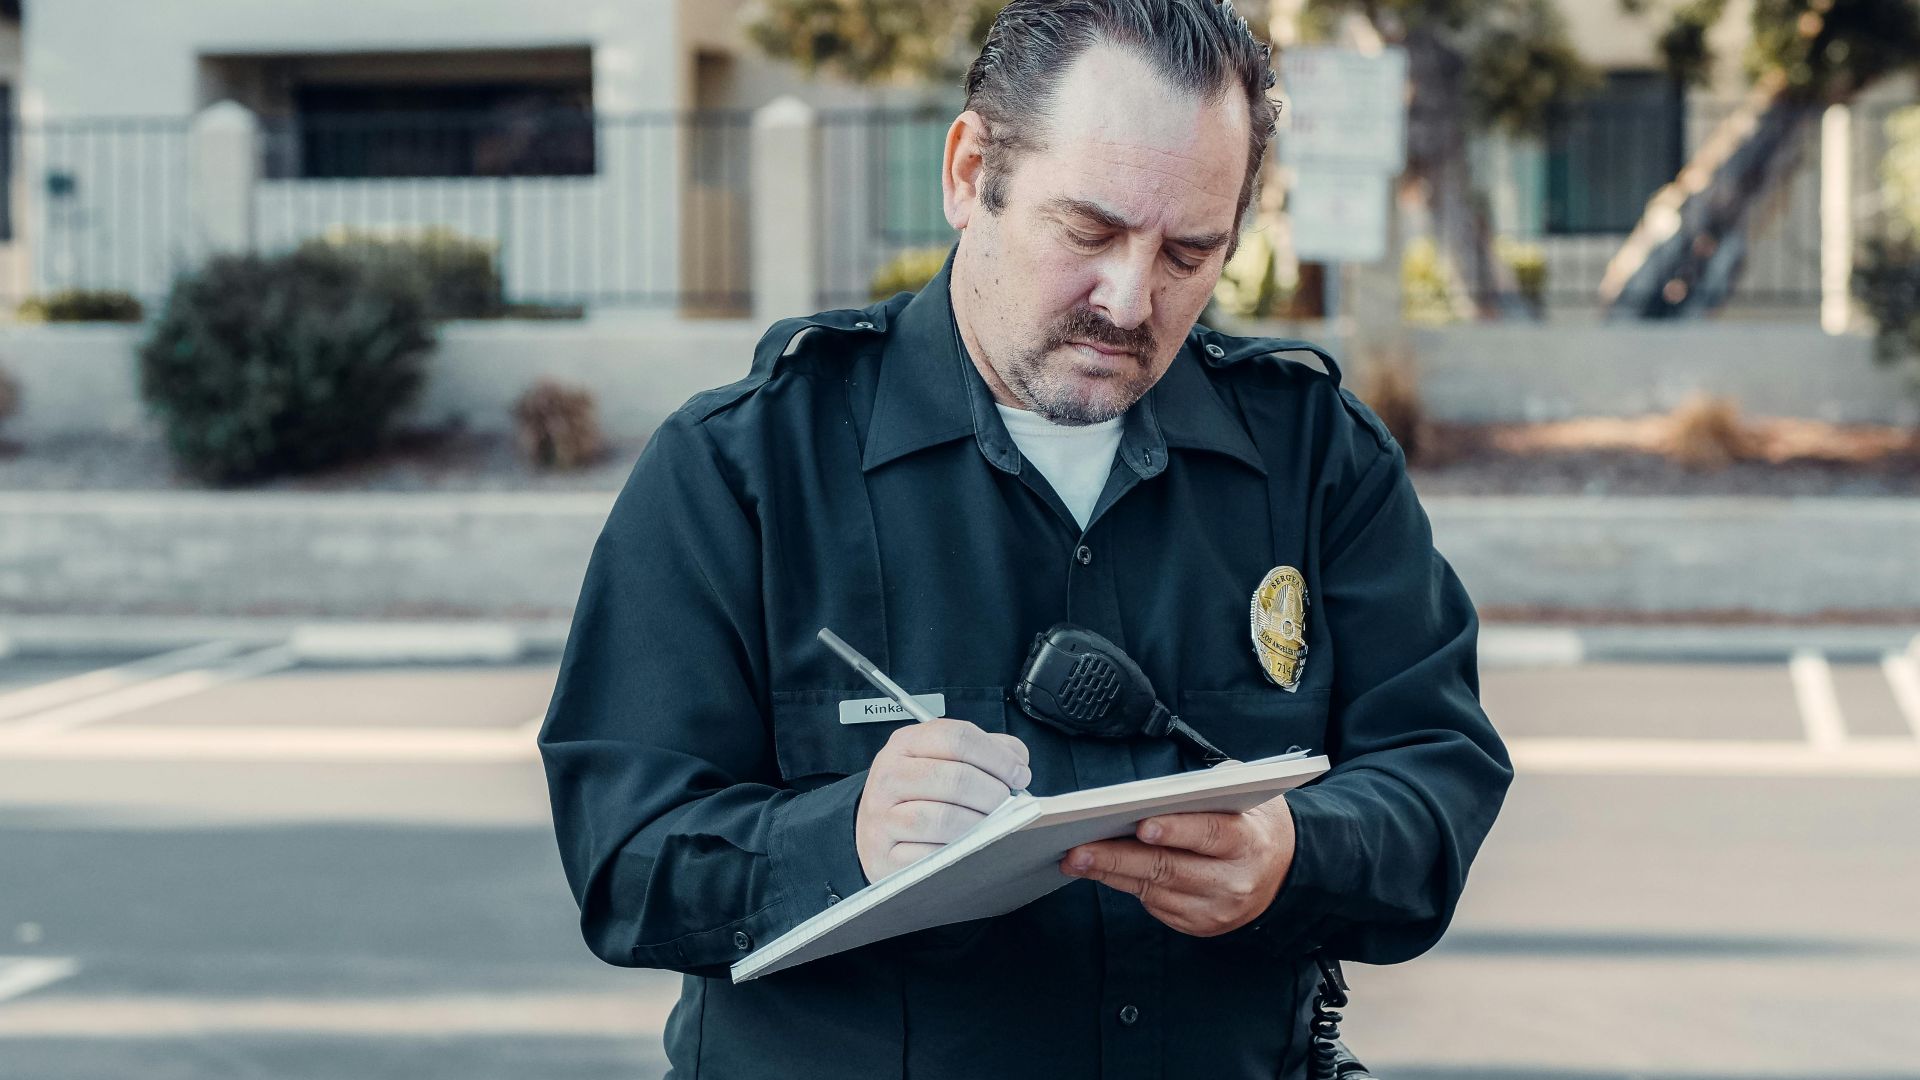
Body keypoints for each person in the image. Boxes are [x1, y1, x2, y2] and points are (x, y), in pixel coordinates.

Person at [538, 1, 1511, 1077]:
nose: (1131, 298)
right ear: (970, 173)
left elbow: (1436, 768)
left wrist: (1294, 855)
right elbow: (622, 857)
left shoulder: (1315, 456)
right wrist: (847, 839)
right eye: (1088, 232)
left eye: (1192, 251)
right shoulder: (743, 468)